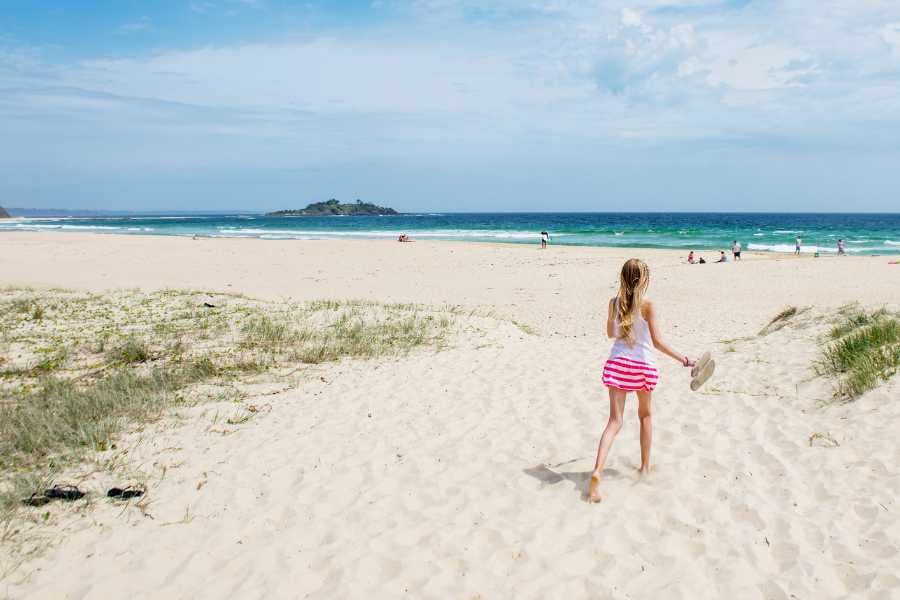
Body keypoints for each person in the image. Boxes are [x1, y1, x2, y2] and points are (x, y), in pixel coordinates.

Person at [588, 259, 696, 503]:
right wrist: (684, 359)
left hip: (617, 364)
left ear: (622, 278)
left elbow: (610, 334)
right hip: (642, 366)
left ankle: (597, 471)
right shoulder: (647, 306)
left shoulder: (613, 303)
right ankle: (645, 467)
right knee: (645, 415)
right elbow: (657, 343)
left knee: (614, 422)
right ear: (645, 280)